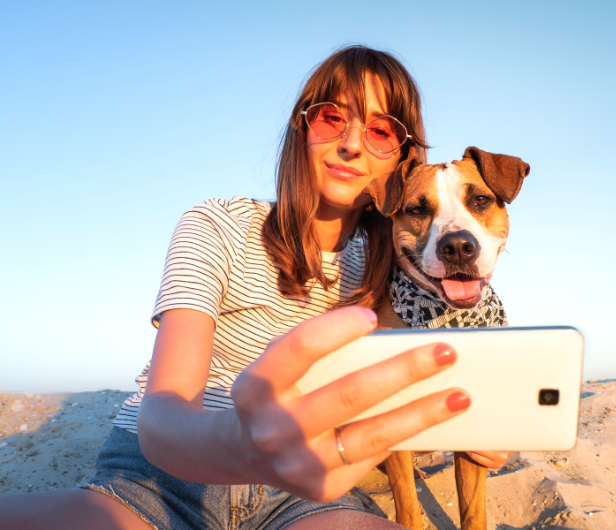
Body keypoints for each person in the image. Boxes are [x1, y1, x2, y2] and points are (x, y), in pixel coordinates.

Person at [0, 45, 509, 530]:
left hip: (304, 491)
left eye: (381, 130)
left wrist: (481, 427)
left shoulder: (400, 269)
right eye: (333, 117)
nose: (353, 143)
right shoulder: (217, 225)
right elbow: (162, 414)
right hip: (162, 476)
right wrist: (244, 444)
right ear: (301, 124)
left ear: (404, 156)